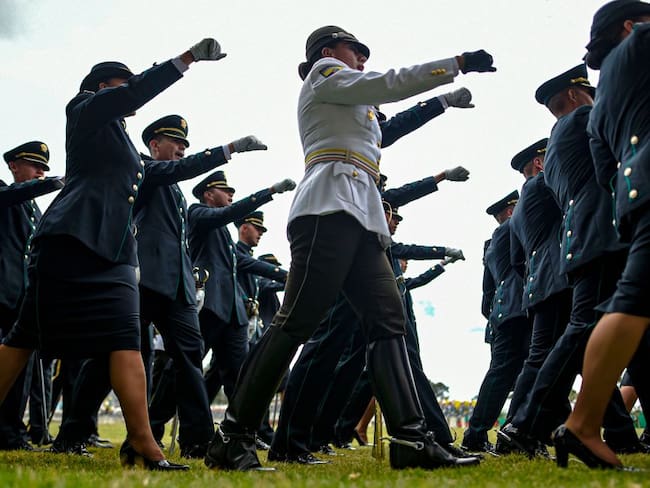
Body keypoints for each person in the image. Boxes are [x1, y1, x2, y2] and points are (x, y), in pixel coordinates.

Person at [204, 25, 495, 471]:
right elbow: (386, 84)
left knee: (387, 320)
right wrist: (454, 65)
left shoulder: (352, 100)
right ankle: (234, 435)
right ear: (328, 51)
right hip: (327, 207)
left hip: (360, 214)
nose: (361, 57)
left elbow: (387, 128)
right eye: (354, 50)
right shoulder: (323, 75)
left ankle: (411, 440)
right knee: (297, 320)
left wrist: (439, 103)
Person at [0, 37, 227, 470]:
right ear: (103, 86)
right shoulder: (84, 109)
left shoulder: (126, 145)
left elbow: (171, 169)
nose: (130, 94)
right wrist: (185, 60)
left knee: (126, 341)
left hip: (117, 256)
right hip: (70, 241)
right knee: (23, 339)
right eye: (122, 85)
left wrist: (226, 151)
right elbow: (134, 92)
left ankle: (144, 444)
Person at [501, 64, 646, 457]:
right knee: (583, 327)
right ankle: (525, 423)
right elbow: (613, 161)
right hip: (602, 234)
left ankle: (620, 438)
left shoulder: (558, 137)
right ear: (571, 96)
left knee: (632, 329)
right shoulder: (582, 119)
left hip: (582, 239)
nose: (593, 98)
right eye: (586, 93)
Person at [555, 0, 650, 469]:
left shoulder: (602, 99)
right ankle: (583, 423)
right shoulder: (642, 45)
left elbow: (604, 169)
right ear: (631, 26)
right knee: (630, 301)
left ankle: (586, 423)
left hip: (634, 196)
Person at [188, 170, 292, 405]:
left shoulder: (223, 235)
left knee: (239, 376)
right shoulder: (198, 214)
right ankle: (153, 426)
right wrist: (270, 192)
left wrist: (289, 276)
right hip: (210, 306)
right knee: (186, 368)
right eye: (225, 191)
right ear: (208, 195)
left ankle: (237, 434)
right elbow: (229, 214)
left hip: (233, 314)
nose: (231, 194)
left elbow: (250, 264)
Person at [496, 139, 573, 456]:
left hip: (538, 281)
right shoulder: (546, 185)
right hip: (559, 275)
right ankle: (518, 427)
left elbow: (516, 259)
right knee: (562, 349)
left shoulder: (519, 211)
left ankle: (515, 429)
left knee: (559, 353)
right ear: (541, 164)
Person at [0, 142, 63, 451]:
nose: (40, 171)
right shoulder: (6, 192)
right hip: (2, 292)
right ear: (13, 166)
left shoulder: (34, 209)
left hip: (24, 297)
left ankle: (11, 431)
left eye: (45, 168)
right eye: (34, 165)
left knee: (23, 371)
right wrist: (50, 185)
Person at [461, 191, 532, 454]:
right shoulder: (513, 229)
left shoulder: (491, 243)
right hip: (520, 305)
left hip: (502, 310)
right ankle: (508, 432)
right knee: (524, 370)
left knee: (502, 374)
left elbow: (486, 294)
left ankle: (478, 435)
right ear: (512, 212)